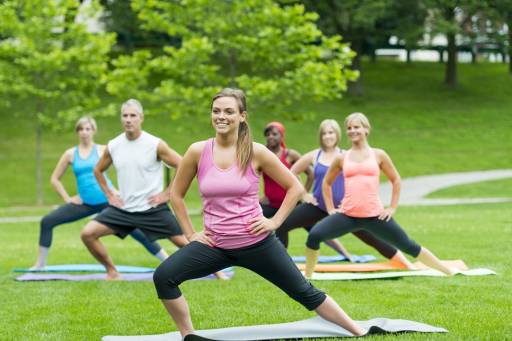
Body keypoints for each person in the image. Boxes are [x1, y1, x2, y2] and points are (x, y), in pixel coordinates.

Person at [153, 88, 366, 337]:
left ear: (242, 116)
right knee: (164, 277)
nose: (221, 116)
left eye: (229, 111)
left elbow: (295, 188)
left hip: (256, 243)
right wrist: (190, 234)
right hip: (215, 244)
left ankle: (359, 332)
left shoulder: (257, 152)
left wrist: (274, 221)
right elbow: (176, 195)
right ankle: (189, 335)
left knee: (304, 292)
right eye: (216, 111)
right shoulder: (198, 151)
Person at [304, 112, 457, 278]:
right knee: (314, 236)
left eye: (356, 127)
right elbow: (326, 183)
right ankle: (309, 277)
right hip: (348, 215)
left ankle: (447, 271)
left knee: (409, 246)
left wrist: (392, 207)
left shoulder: (378, 155)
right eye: (349, 128)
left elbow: (396, 180)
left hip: (375, 216)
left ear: (366, 129)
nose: (352, 131)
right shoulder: (342, 158)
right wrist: (331, 209)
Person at [31, 116, 168, 270]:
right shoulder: (70, 154)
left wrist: (118, 191)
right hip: (84, 203)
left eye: (87, 129)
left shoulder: (103, 149)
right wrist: (68, 199)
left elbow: (126, 166)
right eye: (81, 129)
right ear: (77, 132)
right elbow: (55, 179)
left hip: (108, 201)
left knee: (137, 231)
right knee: (47, 221)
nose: (84, 132)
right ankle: (40, 264)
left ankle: (166, 260)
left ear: (93, 131)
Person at [277, 119, 414, 267]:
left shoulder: (346, 155)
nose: (328, 136)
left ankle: (407, 264)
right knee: (282, 224)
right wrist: (304, 194)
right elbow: (291, 173)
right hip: (318, 206)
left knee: (374, 239)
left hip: (346, 211)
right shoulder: (314, 155)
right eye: (324, 133)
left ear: (337, 135)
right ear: (320, 136)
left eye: (331, 132)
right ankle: (282, 265)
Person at [79, 100, 188, 280]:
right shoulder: (114, 145)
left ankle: (217, 272)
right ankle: (112, 271)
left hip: (152, 209)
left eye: (133, 116)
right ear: (121, 119)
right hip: (123, 209)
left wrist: (167, 194)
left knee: (183, 243)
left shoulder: (155, 144)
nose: (128, 120)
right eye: (125, 116)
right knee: (88, 234)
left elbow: (183, 165)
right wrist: (109, 194)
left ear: (141, 118)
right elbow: (97, 170)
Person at [260, 121, 313, 218]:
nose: (270, 136)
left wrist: (304, 194)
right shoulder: (261, 154)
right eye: (268, 134)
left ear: (282, 137)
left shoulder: (290, 155)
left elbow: (311, 174)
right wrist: (257, 198)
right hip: (271, 204)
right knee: (250, 223)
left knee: (315, 231)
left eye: (274, 134)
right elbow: (251, 176)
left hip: (291, 204)